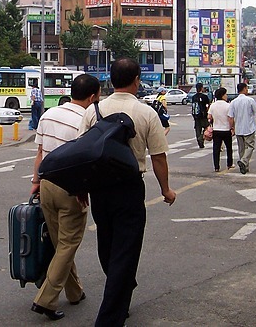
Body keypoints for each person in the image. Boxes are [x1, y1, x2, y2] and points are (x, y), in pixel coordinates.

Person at [78, 58, 176, 326]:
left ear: (111, 79)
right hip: (129, 188)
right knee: (126, 250)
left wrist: (81, 188)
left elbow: (81, 152)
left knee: (107, 246)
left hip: (99, 188)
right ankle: (110, 317)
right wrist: (165, 190)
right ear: (136, 80)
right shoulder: (145, 112)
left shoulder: (94, 110)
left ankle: (120, 289)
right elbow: (158, 156)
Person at [29, 74, 101, 321]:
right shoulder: (87, 120)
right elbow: (85, 160)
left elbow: (40, 152)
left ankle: (75, 291)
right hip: (71, 188)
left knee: (61, 243)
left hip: (47, 185)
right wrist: (83, 190)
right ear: (92, 97)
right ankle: (46, 299)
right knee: (68, 244)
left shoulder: (49, 114)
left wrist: (35, 183)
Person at [228, 82, 256, 175]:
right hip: (249, 127)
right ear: (244, 89)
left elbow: (231, 117)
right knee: (250, 146)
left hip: (239, 128)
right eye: (246, 88)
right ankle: (244, 161)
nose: (247, 90)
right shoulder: (250, 100)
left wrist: (232, 127)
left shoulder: (233, 102)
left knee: (241, 148)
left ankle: (244, 166)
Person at [207, 87, 235, 172]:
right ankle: (229, 164)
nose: (226, 96)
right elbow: (230, 118)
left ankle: (216, 166)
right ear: (222, 96)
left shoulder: (213, 105)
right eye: (225, 94)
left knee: (216, 149)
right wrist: (232, 128)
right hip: (226, 129)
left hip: (216, 129)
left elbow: (209, 117)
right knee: (229, 148)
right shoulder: (228, 105)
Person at [191, 82, 211, 149]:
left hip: (196, 116)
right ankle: (201, 137)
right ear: (201, 88)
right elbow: (208, 105)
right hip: (203, 116)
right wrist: (207, 112)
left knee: (197, 129)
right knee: (207, 128)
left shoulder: (193, 97)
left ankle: (200, 142)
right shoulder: (204, 96)